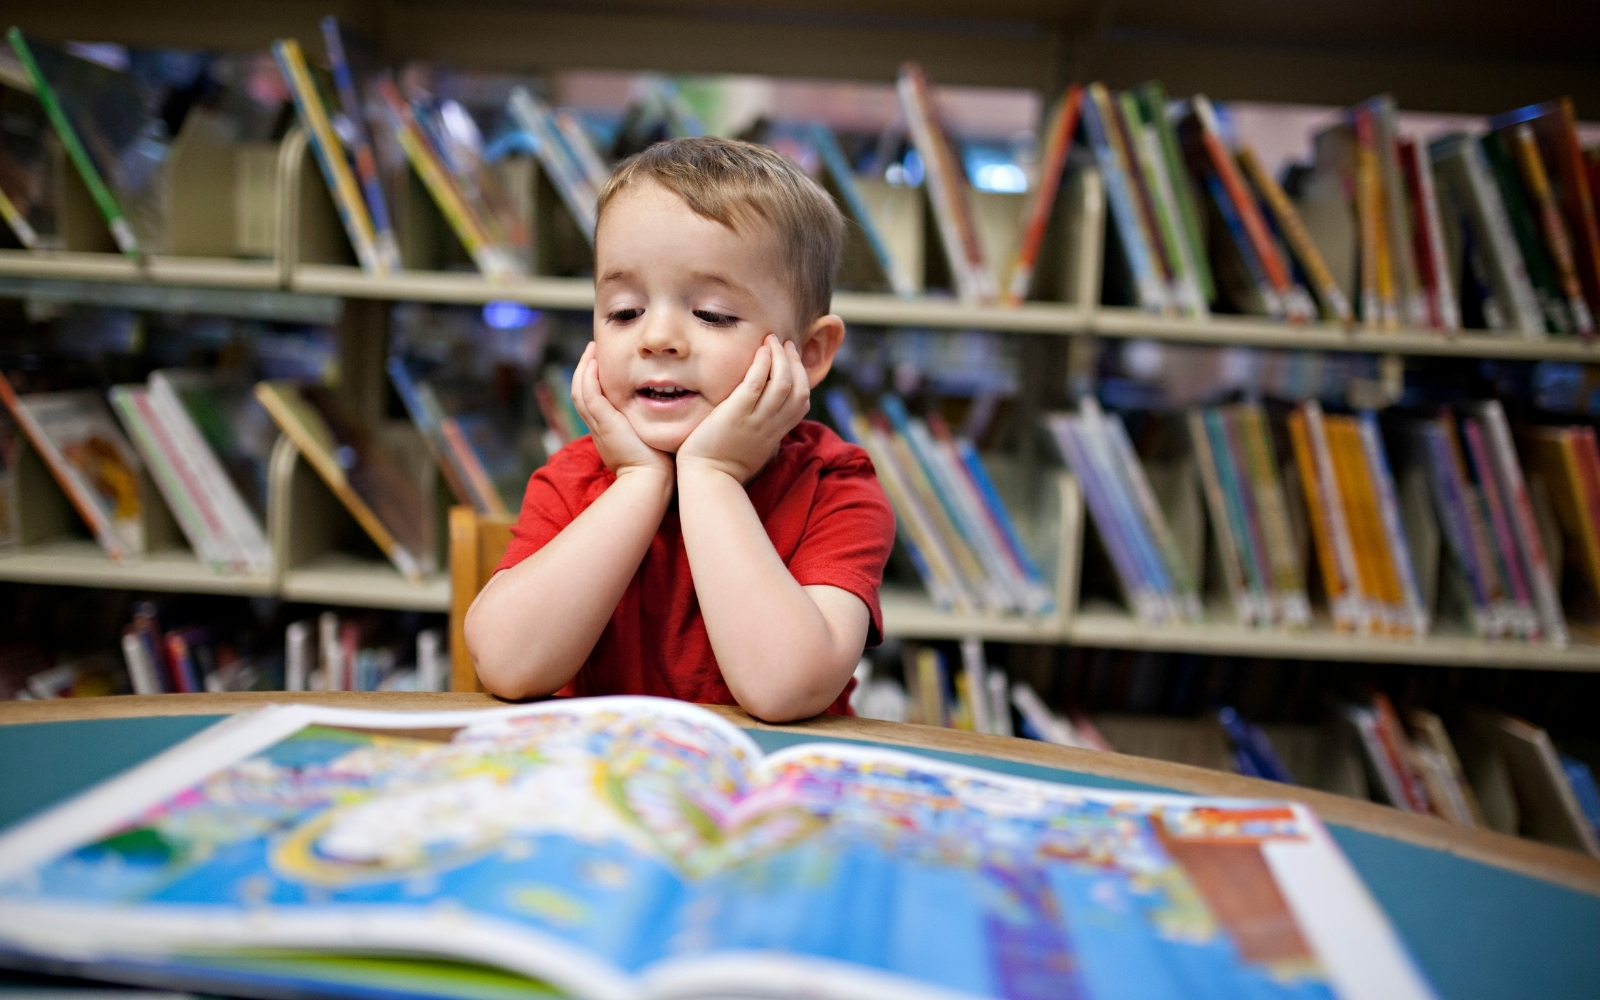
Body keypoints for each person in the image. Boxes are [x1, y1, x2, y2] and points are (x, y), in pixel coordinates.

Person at [465, 137, 896, 722]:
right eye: (624, 311)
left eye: (712, 314)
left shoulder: (837, 487)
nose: (656, 338)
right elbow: (507, 665)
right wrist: (640, 481)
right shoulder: (575, 477)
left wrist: (711, 474)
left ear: (811, 352)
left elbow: (785, 688)